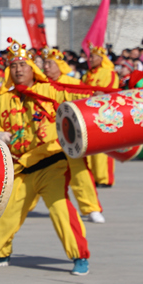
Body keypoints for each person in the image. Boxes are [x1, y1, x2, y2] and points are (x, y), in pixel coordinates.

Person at [0, 39, 91, 276]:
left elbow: (81, 98)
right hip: (21, 167)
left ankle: (79, 256)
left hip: (52, 163)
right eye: (14, 66)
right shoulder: (3, 100)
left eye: (23, 65)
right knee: (5, 211)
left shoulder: (50, 90)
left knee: (60, 210)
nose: (18, 70)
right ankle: (0, 253)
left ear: (33, 69)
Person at [41, 48, 105, 224]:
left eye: (49, 63)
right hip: (45, 139)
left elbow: (86, 99)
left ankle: (91, 208)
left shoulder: (72, 83)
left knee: (80, 173)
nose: (46, 67)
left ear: (59, 65)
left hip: (68, 136)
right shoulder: (40, 84)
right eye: (44, 63)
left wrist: (96, 96)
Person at [82, 43, 120, 188]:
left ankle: (104, 178)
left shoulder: (109, 73)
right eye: (89, 56)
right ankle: (93, 177)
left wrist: (100, 95)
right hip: (89, 114)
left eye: (93, 56)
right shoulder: (87, 74)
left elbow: (111, 91)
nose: (90, 59)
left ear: (101, 58)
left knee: (104, 149)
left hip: (105, 114)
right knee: (91, 148)